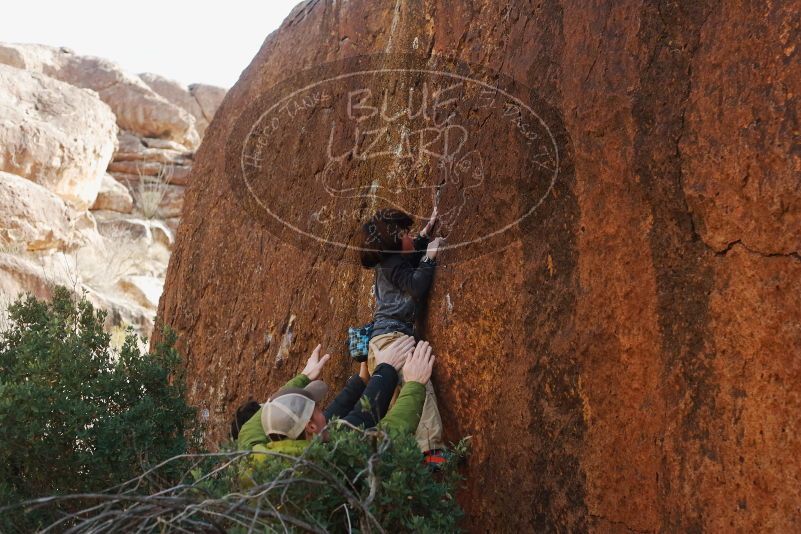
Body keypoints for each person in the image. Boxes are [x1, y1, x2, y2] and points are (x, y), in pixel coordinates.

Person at [235, 335, 435, 458]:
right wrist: (414, 383)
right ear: (311, 427)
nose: (324, 410)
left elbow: (269, 411)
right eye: (318, 409)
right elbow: (386, 432)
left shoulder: (252, 452)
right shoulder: (329, 462)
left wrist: (304, 377)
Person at [359, 207, 446, 466]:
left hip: (381, 344)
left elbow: (410, 253)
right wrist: (429, 258)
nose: (410, 237)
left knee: (399, 404)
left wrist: (424, 232)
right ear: (395, 243)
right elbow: (416, 285)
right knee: (418, 386)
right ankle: (431, 452)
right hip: (393, 340)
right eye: (405, 234)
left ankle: (404, 460)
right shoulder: (393, 265)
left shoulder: (390, 262)